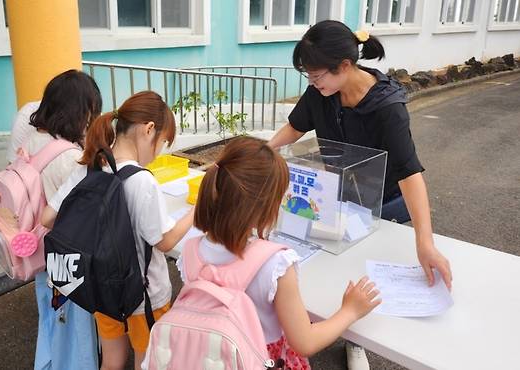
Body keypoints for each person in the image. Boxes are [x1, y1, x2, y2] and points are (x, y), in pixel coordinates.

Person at [267, 20, 452, 369]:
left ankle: (355, 341)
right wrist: (265, 150)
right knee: (330, 267)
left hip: (384, 205)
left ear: (346, 66)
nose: (313, 83)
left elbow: (410, 173)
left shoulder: (387, 106)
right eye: (308, 77)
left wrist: (424, 241)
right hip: (338, 197)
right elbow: (296, 126)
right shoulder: (322, 92)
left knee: (364, 273)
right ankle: (320, 320)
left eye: (317, 76)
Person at [175, 137, 380, 369]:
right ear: (265, 207)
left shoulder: (190, 252)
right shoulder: (275, 263)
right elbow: (305, 342)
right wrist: (350, 311)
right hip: (262, 359)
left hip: (213, 357)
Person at [41, 91, 195, 370]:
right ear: (149, 130)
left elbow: (48, 217)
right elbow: (165, 241)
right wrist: (197, 211)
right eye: (162, 143)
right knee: (147, 361)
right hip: (144, 297)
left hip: (101, 289)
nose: (158, 152)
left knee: (111, 361)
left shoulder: (89, 168)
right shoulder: (141, 180)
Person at [0, 69, 103, 370]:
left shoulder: (34, 139)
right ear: (80, 112)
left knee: (49, 317)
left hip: (38, 253)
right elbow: (87, 212)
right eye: (91, 111)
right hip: (65, 255)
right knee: (74, 326)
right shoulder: (69, 158)